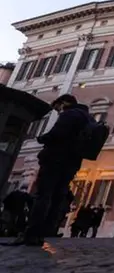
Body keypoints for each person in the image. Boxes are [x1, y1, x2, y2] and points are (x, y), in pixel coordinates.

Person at [10, 95, 93, 247]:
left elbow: (56, 135)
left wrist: (42, 138)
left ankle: (32, 233)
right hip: (72, 163)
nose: (58, 112)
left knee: (43, 196)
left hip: (55, 160)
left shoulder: (69, 114)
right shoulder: (88, 118)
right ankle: (45, 232)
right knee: (57, 197)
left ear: (64, 103)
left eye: (57, 108)